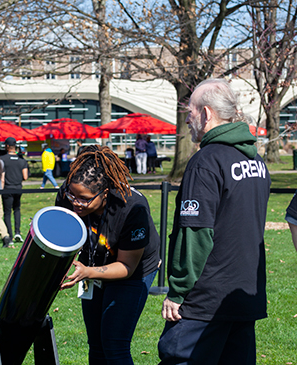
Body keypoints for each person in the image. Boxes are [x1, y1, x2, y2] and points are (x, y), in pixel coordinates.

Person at [158, 79, 271, 364]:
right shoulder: (257, 162)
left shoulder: (206, 161)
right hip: (244, 294)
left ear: (207, 114)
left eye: (191, 112)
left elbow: (195, 233)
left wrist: (178, 290)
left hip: (205, 300)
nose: (187, 119)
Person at [56, 145, 160, 365]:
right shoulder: (69, 196)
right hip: (92, 266)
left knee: (114, 343)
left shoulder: (132, 208)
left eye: (83, 199)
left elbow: (126, 266)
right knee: (96, 343)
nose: (75, 203)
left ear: (104, 193)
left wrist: (88, 271)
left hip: (133, 271)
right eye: (71, 195)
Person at [0, 137, 28, 243]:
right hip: (18, 188)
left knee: (7, 212)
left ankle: (9, 236)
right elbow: (25, 177)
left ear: (7, 146)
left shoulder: (2, 159)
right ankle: (17, 232)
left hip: (7, 188)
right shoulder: (22, 160)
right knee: (17, 209)